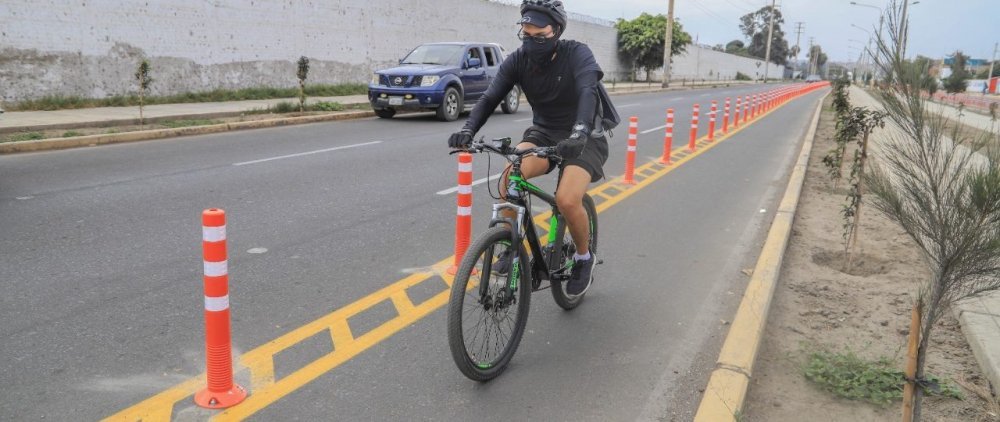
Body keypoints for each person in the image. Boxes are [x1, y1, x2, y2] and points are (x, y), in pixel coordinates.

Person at [447, 0, 614, 296]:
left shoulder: (577, 54)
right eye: (526, 31)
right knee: (510, 177)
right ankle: (510, 247)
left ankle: (583, 257)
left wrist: (578, 133)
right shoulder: (518, 60)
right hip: (545, 132)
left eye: (539, 32)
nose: (531, 37)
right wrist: (468, 129)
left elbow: (588, 92)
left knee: (566, 199)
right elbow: (489, 98)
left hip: (584, 134)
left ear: (556, 31)